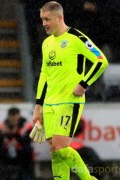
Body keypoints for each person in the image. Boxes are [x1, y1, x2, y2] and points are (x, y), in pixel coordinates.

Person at [32, 1, 108, 180]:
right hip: (49, 103)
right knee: (55, 150)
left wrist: (83, 84)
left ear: (59, 17)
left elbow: (101, 60)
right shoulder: (47, 43)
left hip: (69, 101)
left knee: (61, 148)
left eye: (47, 19)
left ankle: (89, 179)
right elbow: (44, 74)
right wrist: (38, 105)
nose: (44, 24)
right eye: (42, 20)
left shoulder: (76, 38)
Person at [0, 107, 34, 180]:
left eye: (15, 118)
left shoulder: (25, 125)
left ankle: (27, 175)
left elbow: (28, 139)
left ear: (18, 116)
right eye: (11, 118)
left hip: (20, 151)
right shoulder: (3, 125)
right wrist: (3, 137)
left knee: (28, 150)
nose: (13, 121)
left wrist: (16, 135)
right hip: (6, 150)